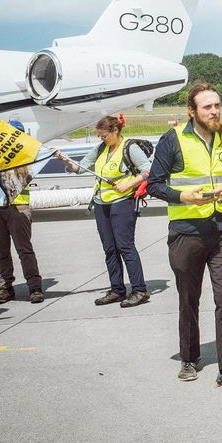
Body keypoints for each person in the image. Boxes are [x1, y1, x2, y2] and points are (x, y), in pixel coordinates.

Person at [147, 82, 222, 392]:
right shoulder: (172, 139)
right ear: (192, 111)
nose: (215, 111)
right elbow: (154, 184)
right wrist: (183, 197)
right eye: (208, 107)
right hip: (186, 233)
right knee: (189, 298)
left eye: (217, 105)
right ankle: (189, 358)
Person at [59, 116, 151, 308]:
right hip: (102, 203)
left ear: (115, 131)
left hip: (122, 202)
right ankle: (117, 289)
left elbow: (147, 170)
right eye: (100, 136)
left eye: (104, 136)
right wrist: (64, 159)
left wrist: (128, 183)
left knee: (125, 246)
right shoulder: (101, 148)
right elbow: (79, 168)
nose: (102, 139)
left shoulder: (129, 148)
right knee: (109, 248)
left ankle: (139, 290)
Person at [0, 142, 45, 305]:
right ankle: (5, 287)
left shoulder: (26, 159)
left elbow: (26, 174)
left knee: (24, 249)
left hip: (18, 206)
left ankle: (34, 287)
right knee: (1, 251)